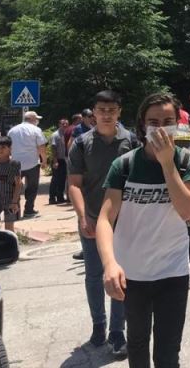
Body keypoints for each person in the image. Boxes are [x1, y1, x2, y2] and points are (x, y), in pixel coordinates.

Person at [97, 93, 190, 368]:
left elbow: (186, 210)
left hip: (173, 272)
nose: (161, 128)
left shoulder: (187, 161)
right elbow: (105, 219)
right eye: (153, 122)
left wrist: (167, 163)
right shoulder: (124, 165)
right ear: (143, 125)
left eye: (168, 121)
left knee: (167, 354)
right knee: (138, 345)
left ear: (178, 123)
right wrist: (109, 264)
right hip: (133, 274)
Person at [68, 90, 134, 355]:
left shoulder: (131, 141)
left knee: (120, 274)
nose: (106, 115)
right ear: (93, 113)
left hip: (124, 222)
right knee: (94, 276)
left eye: (111, 110)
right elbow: (74, 184)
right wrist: (83, 216)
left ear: (119, 112)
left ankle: (117, 331)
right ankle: (98, 324)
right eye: (101, 110)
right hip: (92, 221)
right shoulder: (81, 144)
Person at [7, 111, 47, 218]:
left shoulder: (12, 130)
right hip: (32, 163)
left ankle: (15, 212)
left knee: (15, 187)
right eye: (36, 119)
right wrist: (44, 161)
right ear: (32, 119)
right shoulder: (36, 130)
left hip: (15, 164)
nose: (37, 121)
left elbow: (8, 147)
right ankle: (29, 210)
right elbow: (41, 147)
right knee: (32, 188)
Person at [48, 118, 69, 205]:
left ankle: (60, 197)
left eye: (66, 124)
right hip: (57, 160)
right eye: (63, 123)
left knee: (62, 179)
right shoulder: (55, 135)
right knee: (55, 180)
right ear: (59, 124)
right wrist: (55, 161)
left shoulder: (66, 134)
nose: (65, 125)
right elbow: (53, 148)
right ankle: (52, 198)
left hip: (64, 160)